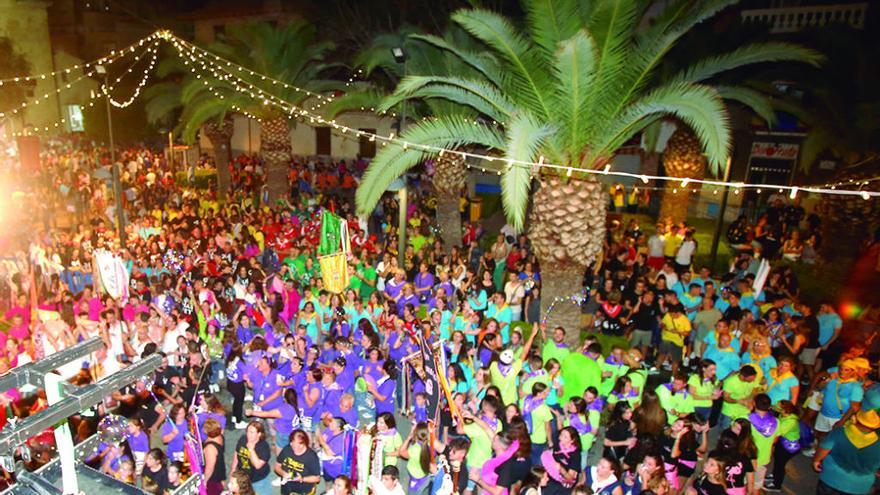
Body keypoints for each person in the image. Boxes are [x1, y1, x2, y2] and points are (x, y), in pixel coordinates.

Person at [813, 409, 880, 495]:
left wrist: (816, 461)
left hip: (831, 478)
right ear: (875, 427)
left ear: (855, 419)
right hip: (860, 487)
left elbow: (822, 451)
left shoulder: (839, 432)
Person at [230, 421, 272, 494]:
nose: (248, 434)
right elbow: (237, 454)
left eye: (252, 432)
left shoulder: (264, 447)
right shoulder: (243, 439)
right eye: (248, 431)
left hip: (258, 480)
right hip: (244, 478)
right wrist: (233, 472)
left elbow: (257, 465)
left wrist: (251, 449)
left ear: (259, 434)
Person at [276, 430, 321, 495]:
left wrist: (302, 479)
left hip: (304, 489)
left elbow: (317, 478)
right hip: (287, 486)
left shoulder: (311, 457)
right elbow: (277, 466)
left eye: (297, 446)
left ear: (304, 444)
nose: (293, 448)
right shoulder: (287, 449)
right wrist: (283, 473)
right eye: (292, 444)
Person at [202, 418, 226, 495]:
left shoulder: (210, 448)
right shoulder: (220, 437)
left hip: (213, 479)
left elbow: (210, 467)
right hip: (220, 472)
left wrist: (205, 481)